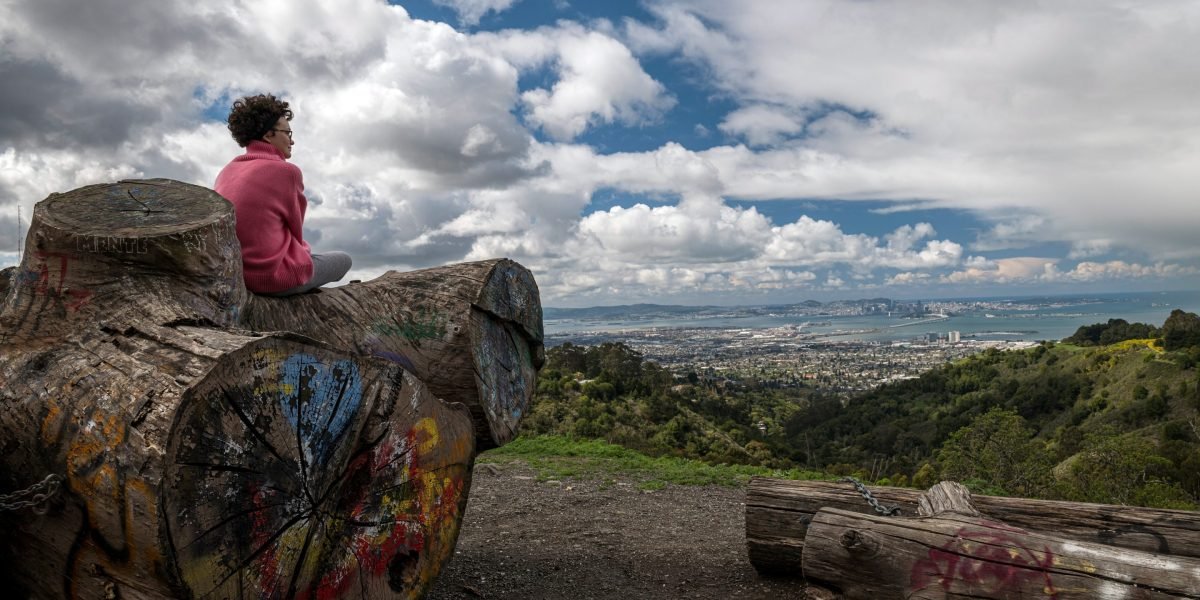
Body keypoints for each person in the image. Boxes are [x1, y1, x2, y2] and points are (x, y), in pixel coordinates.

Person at [214, 94, 351, 296]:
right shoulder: (287, 172)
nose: (292, 140)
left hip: (236, 274)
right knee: (344, 260)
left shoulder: (226, 171)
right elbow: (296, 232)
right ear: (269, 135)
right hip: (272, 279)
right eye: (287, 132)